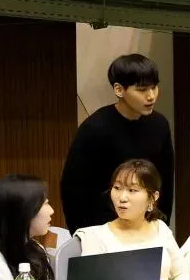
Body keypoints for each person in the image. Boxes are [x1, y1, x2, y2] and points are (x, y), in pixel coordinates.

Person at [61, 54, 174, 233]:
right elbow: (73, 187)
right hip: (102, 226)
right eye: (142, 90)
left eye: (154, 87)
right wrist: (83, 233)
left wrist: (162, 222)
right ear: (119, 90)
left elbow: (165, 179)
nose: (151, 96)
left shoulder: (159, 124)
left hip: (147, 223)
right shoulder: (95, 128)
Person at [74, 160, 185, 280]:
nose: (122, 198)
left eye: (132, 190)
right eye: (117, 188)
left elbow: (182, 273)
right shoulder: (95, 237)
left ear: (152, 197)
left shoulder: (160, 229)